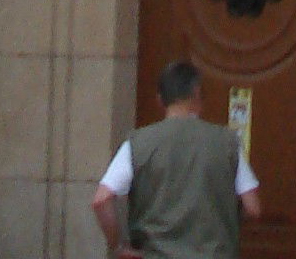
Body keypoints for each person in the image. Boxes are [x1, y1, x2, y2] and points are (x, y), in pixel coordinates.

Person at [93, 59, 262, 259]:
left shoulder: (138, 144)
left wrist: (118, 246)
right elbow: (253, 208)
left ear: (160, 100)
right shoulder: (226, 143)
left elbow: (101, 200)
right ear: (197, 95)